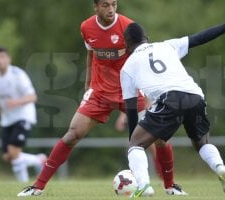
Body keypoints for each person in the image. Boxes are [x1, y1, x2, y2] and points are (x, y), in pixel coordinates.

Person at [17, 0, 185, 197]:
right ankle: (37, 187)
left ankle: (170, 186)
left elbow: (142, 61)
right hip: (99, 92)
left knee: (159, 139)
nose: (111, 9)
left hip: (130, 90)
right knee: (73, 134)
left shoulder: (129, 27)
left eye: (114, 4)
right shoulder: (86, 27)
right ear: (95, 7)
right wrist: (88, 84)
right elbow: (91, 54)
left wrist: (147, 97)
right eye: (105, 5)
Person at [120, 3, 225, 198]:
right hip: (194, 95)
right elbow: (200, 38)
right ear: (147, 38)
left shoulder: (127, 67)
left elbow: (131, 110)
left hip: (169, 98)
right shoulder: (167, 45)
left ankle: (144, 185)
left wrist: (134, 142)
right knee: (202, 142)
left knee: (135, 146)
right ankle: (220, 167)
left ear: (126, 45)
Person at [0, 47, 47, 182]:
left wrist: (16, 102)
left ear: (9, 59)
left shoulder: (18, 75)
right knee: (8, 156)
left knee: (14, 152)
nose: (0, 60)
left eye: (3, 57)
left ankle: (23, 186)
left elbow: (32, 97)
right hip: (7, 119)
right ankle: (39, 160)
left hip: (23, 116)